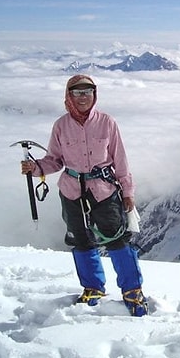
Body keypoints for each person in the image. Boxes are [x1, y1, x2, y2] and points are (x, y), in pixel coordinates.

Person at [20, 74, 148, 316]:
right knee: (81, 239)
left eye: (88, 91)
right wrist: (35, 168)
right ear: (69, 96)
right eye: (77, 92)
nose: (83, 97)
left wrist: (128, 191)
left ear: (94, 95)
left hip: (104, 190)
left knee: (117, 239)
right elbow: (54, 160)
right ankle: (93, 287)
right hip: (71, 190)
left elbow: (120, 160)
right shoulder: (61, 126)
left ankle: (133, 290)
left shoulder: (107, 123)